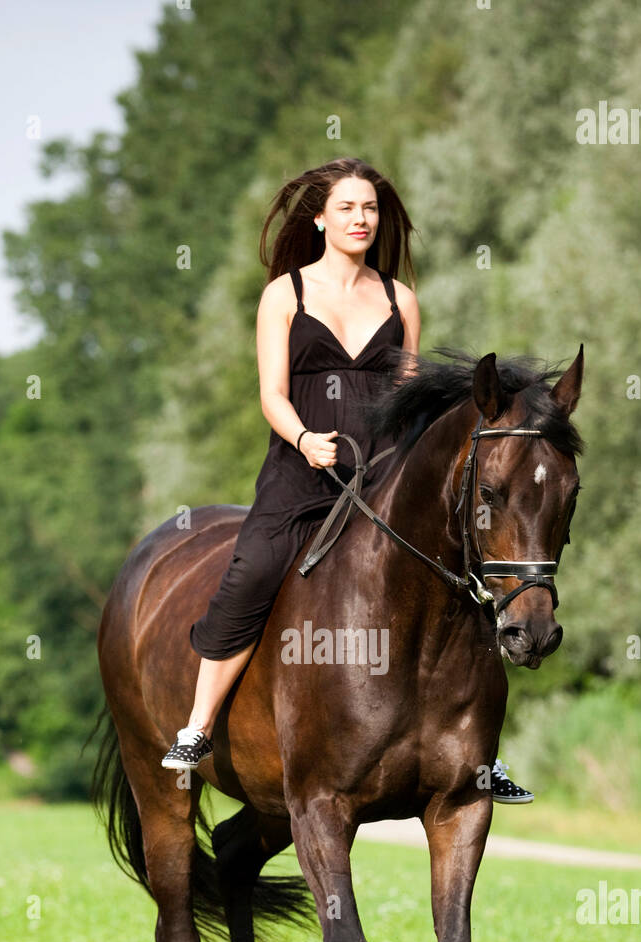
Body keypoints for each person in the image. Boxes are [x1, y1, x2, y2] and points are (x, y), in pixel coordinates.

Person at [161, 157, 533, 805]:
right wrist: (304, 438)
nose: (360, 219)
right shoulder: (286, 294)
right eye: (347, 209)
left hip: (382, 473)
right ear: (320, 218)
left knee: (463, 574)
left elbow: (410, 396)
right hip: (301, 469)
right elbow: (272, 394)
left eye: (370, 209)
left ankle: (482, 751)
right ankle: (197, 723)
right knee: (253, 570)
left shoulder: (399, 300)